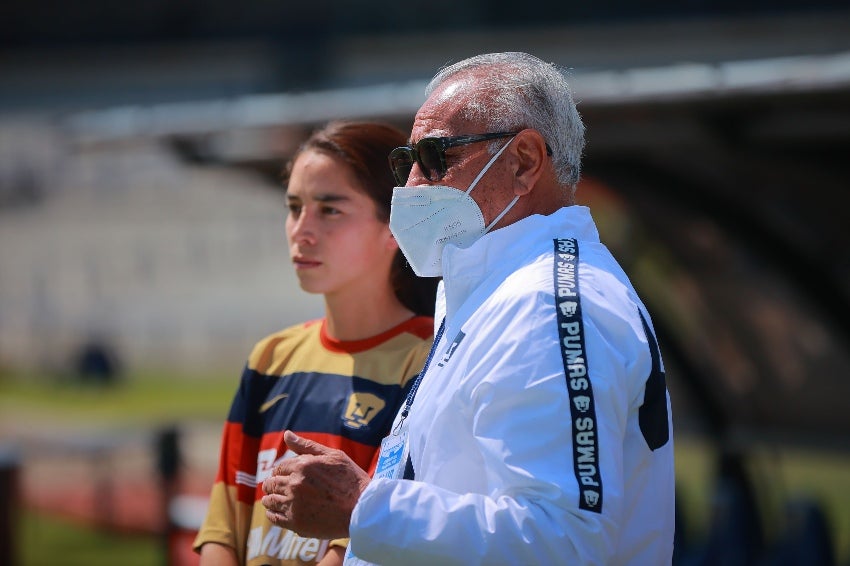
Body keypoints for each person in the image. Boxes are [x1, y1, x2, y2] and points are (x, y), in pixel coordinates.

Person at [261, 52, 676, 565]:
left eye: (436, 156)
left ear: (524, 161)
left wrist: (360, 506)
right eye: (405, 161)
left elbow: (560, 540)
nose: (412, 184)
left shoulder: (544, 305)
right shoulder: (491, 292)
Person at [193, 120, 439, 566]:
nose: (301, 230)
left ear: (395, 226)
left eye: (329, 210)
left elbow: (364, 536)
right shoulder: (271, 357)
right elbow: (223, 526)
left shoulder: (430, 360)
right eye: (293, 206)